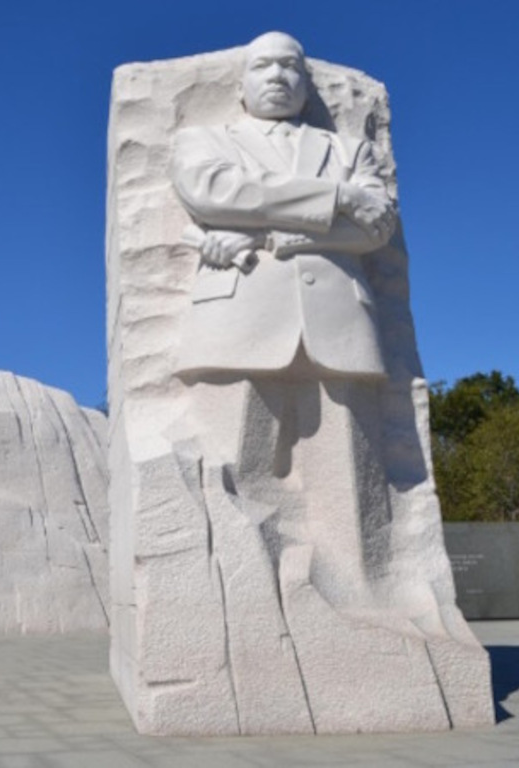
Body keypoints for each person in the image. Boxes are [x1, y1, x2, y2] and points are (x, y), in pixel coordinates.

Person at [168, 31, 398, 610]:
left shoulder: (349, 149)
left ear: (306, 82)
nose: (277, 76)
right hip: (239, 321)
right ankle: (239, 604)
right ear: (240, 85)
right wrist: (334, 201)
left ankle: (360, 603)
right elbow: (215, 192)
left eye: (290, 67)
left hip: (340, 324)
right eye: (263, 66)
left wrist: (272, 230)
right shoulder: (206, 139)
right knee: (232, 476)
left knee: (350, 486)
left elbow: (376, 227)